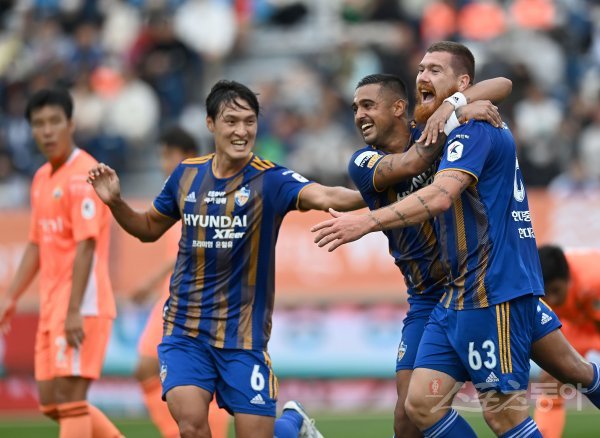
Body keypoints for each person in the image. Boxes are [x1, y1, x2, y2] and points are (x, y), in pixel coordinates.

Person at [312, 41, 580, 437]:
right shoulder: (365, 161)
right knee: (411, 413)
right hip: (431, 296)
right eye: (355, 108)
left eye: (368, 105)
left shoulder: (442, 131)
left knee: (565, 375)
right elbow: (412, 163)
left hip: (482, 284)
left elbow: (503, 84)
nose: (359, 115)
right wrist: (458, 110)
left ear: (398, 108)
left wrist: (453, 107)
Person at [87, 80, 366, 438]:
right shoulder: (186, 175)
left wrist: (380, 189)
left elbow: (327, 195)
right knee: (191, 426)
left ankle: (291, 422)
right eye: (231, 121)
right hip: (185, 331)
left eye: (249, 122)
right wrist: (115, 203)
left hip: (243, 338)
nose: (241, 131)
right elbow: (147, 228)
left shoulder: (271, 179)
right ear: (210, 124)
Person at [0, 88, 122, 438]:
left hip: (82, 305)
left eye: (55, 121)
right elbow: (36, 244)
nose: (47, 130)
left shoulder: (85, 175)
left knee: (70, 400)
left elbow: (87, 245)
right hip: (53, 305)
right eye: (39, 123)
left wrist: (73, 311)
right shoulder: (41, 178)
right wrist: (10, 296)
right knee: (50, 401)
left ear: (71, 124)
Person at [132, 126, 230, 437]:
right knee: (148, 369)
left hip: (193, 298)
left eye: (167, 156)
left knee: (189, 373)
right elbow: (181, 250)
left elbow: (204, 248)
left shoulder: (206, 192)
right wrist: (153, 282)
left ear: (187, 156)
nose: (163, 163)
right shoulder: (175, 194)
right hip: (170, 295)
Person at [533, 245, 600, 438]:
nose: (551, 300)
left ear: (569, 279)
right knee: (551, 379)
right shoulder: (537, 281)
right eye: (546, 293)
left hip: (590, 321)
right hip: (575, 323)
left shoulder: (594, 280)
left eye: (556, 290)